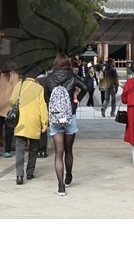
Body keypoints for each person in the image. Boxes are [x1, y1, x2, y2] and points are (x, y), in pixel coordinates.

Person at [40, 53, 86, 194]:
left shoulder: (49, 79)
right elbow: (85, 87)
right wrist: (76, 99)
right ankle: (69, 176)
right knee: (68, 150)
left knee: (58, 153)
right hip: (69, 115)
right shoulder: (72, 77)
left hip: (55, 118)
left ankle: (60, 186)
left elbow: (46, 97)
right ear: (67, 63)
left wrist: (52, 108)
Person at [13, 69, 48, 184]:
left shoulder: (19, 85)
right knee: (33, 148)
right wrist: (45, 123)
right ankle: (30, 172)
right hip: (34, 122)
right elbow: (42, 108)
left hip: (21, 121)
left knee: (20, 149)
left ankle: (19, 175)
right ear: (35, 78)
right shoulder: (39, 88)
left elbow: (12, 101)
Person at [0, 61, 20, 158]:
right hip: (9, 106)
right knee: (9, 130)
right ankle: (7, 151)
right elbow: (17, 91)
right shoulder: (15, 76)